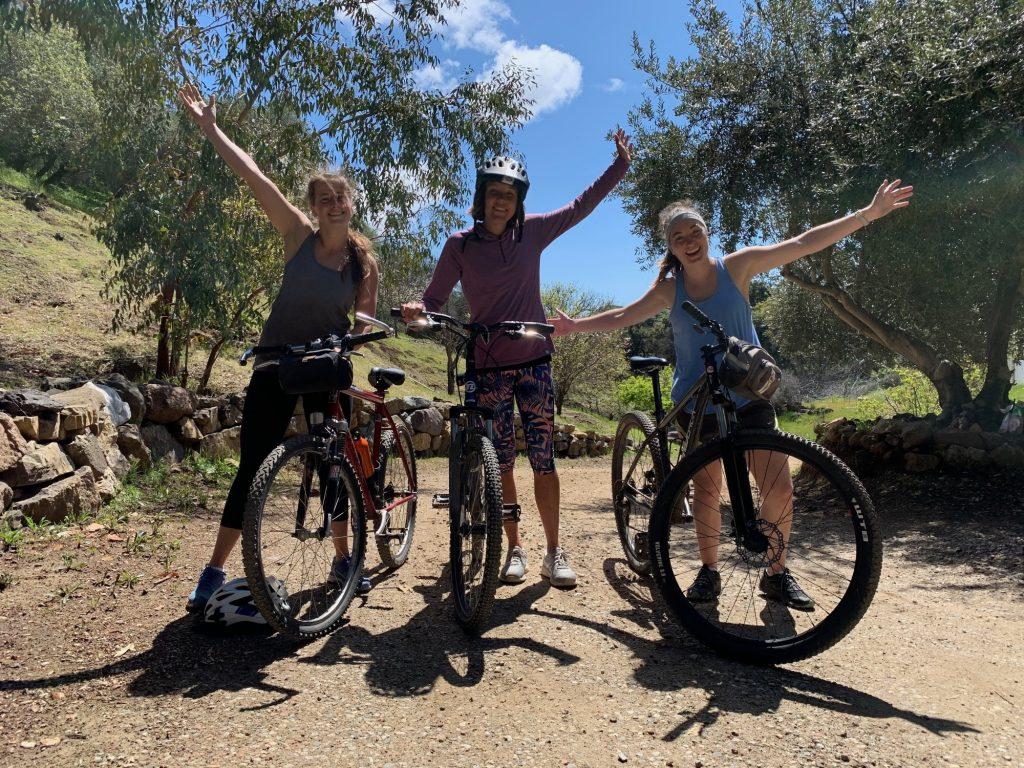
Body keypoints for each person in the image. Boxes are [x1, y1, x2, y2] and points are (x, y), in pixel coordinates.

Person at [549, 179, 913, 607]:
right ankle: (709, 572)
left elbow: (802, 243)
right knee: (707, 489)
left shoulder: (736, 268)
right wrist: (575, 326)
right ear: (670, 247)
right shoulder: (671, 289)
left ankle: (777, 575)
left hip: (747, 392)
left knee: (777, 488)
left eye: (695, 232)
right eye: (678, 237)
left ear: (707, 233)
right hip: (698, 399)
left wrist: (867, 214)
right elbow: (624, 315)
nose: (689, 241)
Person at [177, 83, 380, 612]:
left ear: (351, 206)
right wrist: (211, 129)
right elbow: (255, 178)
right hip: (276, 364)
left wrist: (361, 332)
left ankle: (343, 558)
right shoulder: (296, 236)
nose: (335, 205)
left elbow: (362, 319)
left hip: (326, 369)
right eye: (325, 199)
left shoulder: (364, 265)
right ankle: (214, 569)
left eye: (342, 198)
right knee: (251, 467)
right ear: (313, 208)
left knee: (331, 465)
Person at [401, 131, 634, 588]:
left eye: (509, 196)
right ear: (481, 197)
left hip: (534, 362)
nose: (501, 202)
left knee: (543, 460)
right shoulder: (460, 245)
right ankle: (515, 549)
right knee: (502, 461)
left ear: (518, 201)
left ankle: (552, 550)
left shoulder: (532, 233)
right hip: (487, 365)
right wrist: (417, 312)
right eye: (494, 194)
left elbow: (579, 207)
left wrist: (619, 166)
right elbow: (434, 299)